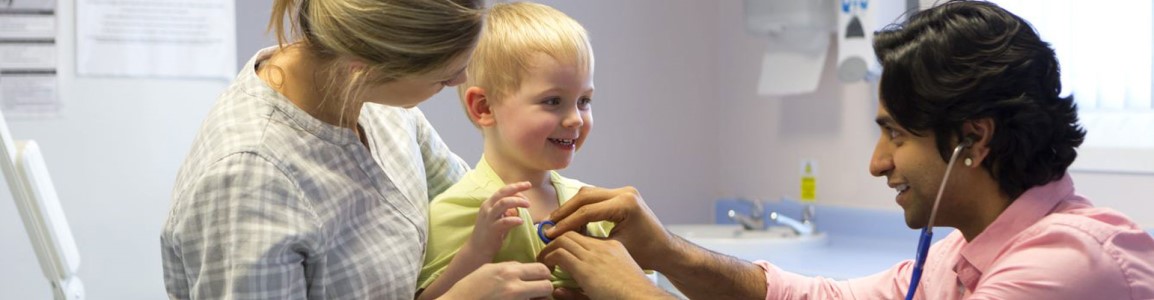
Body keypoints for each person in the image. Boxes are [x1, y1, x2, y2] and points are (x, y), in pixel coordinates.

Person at [537, 1, 1154, 299]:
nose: (877, 161)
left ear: (974, 138)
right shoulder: (963, 252)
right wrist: (667, 253)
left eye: (897, 134)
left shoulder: (1067, 269)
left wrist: (636, 294)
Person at [159, 0, 555, 299]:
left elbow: (472, 205)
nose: (463, 79)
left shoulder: (378, 107)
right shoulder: (248, 182)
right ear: (361, 66)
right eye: (444, 76)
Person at [414, 2, 610, 299]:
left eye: (584, 100)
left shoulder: (595, 208)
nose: (575, 119)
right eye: (553, 101)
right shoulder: (454, 211)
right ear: (484, 107)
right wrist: (476, 251)